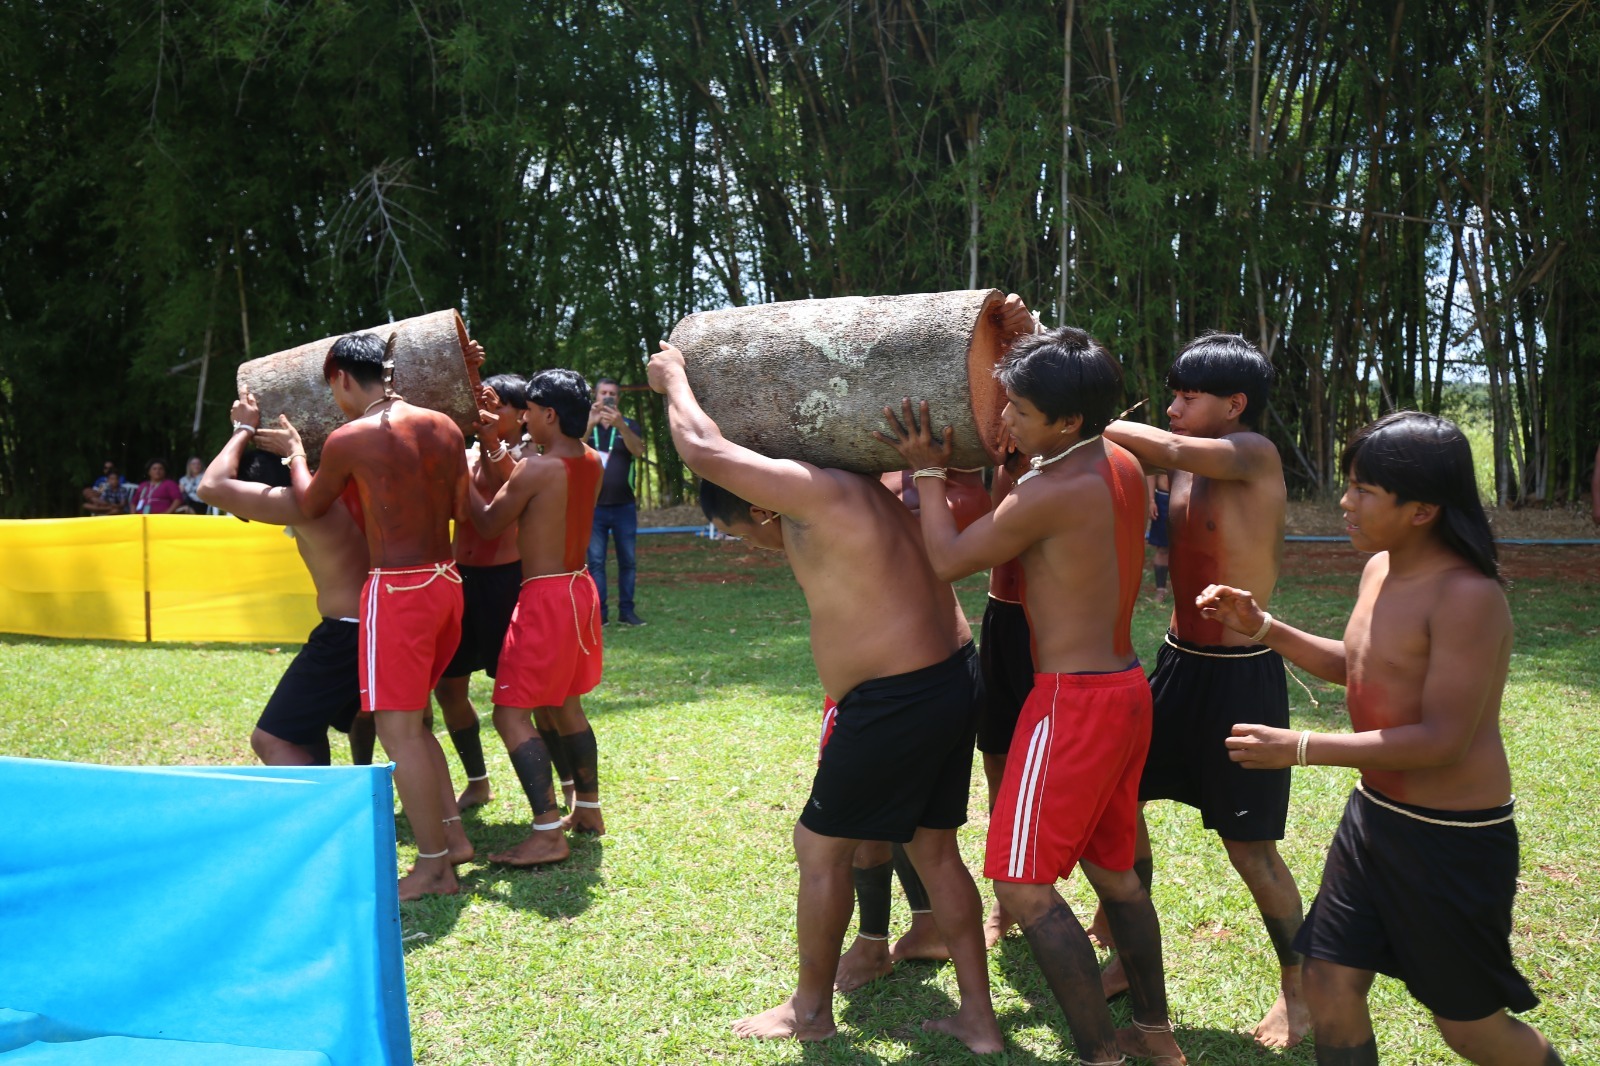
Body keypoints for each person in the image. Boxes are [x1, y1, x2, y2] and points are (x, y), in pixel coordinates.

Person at [649, 343, 1003, 1054]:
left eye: (738, 529)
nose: (748, 543)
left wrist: (673, 379)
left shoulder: (808, 490)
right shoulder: (852, 490)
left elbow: (702, 448)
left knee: (819, 846)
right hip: (946, 677)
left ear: (758, 503)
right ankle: (978, 1021)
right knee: (934, 851)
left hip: (898, 700)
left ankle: (809, 1012)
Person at [1201, 411, 1566, 1066]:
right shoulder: (1380, 570)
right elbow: (1359, 666)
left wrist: (1303, 747)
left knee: (1471, 1029)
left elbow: (1441, 740)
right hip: (1374, 821)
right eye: (1349, 484)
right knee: (1329, 982)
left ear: (1423, 508)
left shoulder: (1468, 597)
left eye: (1364, 490)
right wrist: (1264, 627)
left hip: (1452, 840)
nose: (1345, 502)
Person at [879, 323, 1184, 1066]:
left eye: (1016, 408)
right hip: (1123, 690)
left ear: (1067, 420)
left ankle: (1100, 1055)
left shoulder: (1051, 487)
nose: (1003, 422)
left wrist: (924, 471)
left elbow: (949, 559)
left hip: (1072, 704)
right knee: (1115, 876)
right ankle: (1154, 1038)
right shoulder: (1120, 461)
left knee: (1020, 885)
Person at [1097, 333, 1308, 1049]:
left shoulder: (1252, 453)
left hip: (1240, 677)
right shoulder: (1177, 459)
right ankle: (1129, 956)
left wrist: (1083, 412)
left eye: (1189, 396)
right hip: (1178, 664)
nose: (1174, 406)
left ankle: (1300, 991)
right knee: (1119, 799)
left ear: (1235, 405)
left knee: (1250, 849)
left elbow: (1175, 450)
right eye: (1174, 393)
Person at [272, 331, 473, 900]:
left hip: (400, 592)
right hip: (446, 583)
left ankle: (434, 869)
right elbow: (466, 510)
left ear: (340, 377)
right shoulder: (444, 427)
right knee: (416, 725)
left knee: (397, 731)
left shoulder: (349, 438)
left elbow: (311, 505)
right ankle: (452, 840)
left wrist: (295, 456)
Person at [833, 468, 992, 994]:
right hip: (902, 670)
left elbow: (952, 535)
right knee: (912, 826)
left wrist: (922, 477)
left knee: (862, 829)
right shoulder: (861, 469)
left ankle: (874, 941)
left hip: (905, 680)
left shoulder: (941, 480)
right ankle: (917, 929)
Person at [464, 369, 607, 865]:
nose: (522, 418)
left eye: (528, 410)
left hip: (544, 598)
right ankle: (587, 809)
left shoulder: (537, 469)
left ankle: (547, 830)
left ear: (549, 414)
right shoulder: (591, 461)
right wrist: (492, 444)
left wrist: (451, 476)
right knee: (567, 704)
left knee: (509, 713)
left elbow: (485, 524)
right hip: (579, 591)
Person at [200, 389, 376, 767]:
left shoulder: (299, 505)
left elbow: (211, 486)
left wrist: (243, 428)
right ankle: (344, 803)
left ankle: (324, 819)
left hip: (346, 633)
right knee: (307, 731)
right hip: (367, 625)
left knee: (271, 740)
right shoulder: (336, 487)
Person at [433, 371, 526, 811]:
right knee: (449, 690)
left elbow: (508, 492)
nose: (485, 411)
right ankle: (478, 780)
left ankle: (562, 789)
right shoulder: (466, 451)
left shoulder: (531, 458)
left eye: (496, 404)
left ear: (524, 415)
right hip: (458, 581)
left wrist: (491, 445)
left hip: (507, 584)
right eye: (479, 401)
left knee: (522, 694)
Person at [586, 377, 646, 626]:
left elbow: (639, 451)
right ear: (596, 396)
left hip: (624, 506)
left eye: (612, 393)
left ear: (618, 398)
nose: (607, 397)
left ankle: (627, 611)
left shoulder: (629, 424)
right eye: (603, 393)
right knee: (596, 562)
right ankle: (600, 614)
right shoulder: (585, 424)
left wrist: (621, 425)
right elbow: (571, 450)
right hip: (594, 507)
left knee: (628, 561)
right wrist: (589, 424)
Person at [1146, 468, 1170, 602]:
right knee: (1162, 548)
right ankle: (1160, 590)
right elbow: (1152, 472)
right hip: (1163, 497)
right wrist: (1151, 500)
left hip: (1187, 497)